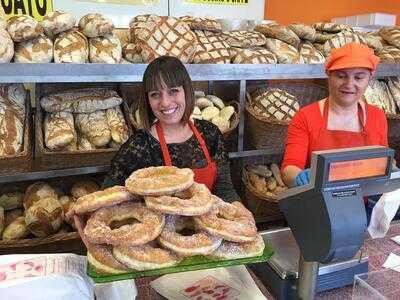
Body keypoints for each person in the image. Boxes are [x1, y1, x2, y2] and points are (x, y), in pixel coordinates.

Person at [102, 55, 239, 202]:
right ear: (147, 100)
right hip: (159, 225)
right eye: (155, 94)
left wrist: (240, 213)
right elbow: (107, 196)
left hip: (207, 224)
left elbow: (224, 189)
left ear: (186, 91)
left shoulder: (210, 133)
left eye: (173, 91)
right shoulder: (139, 146)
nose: (165, 102)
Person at [281, 42, 388, 189]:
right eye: (341, 76)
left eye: (359, 78)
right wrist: (300, 177)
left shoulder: (377, 116)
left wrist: (391, 170)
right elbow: (289, 170)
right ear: (329, 75)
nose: (349, 84)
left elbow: (383, 161)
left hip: (367, 204)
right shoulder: (306, 117)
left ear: (370, 78)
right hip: (320, 203)